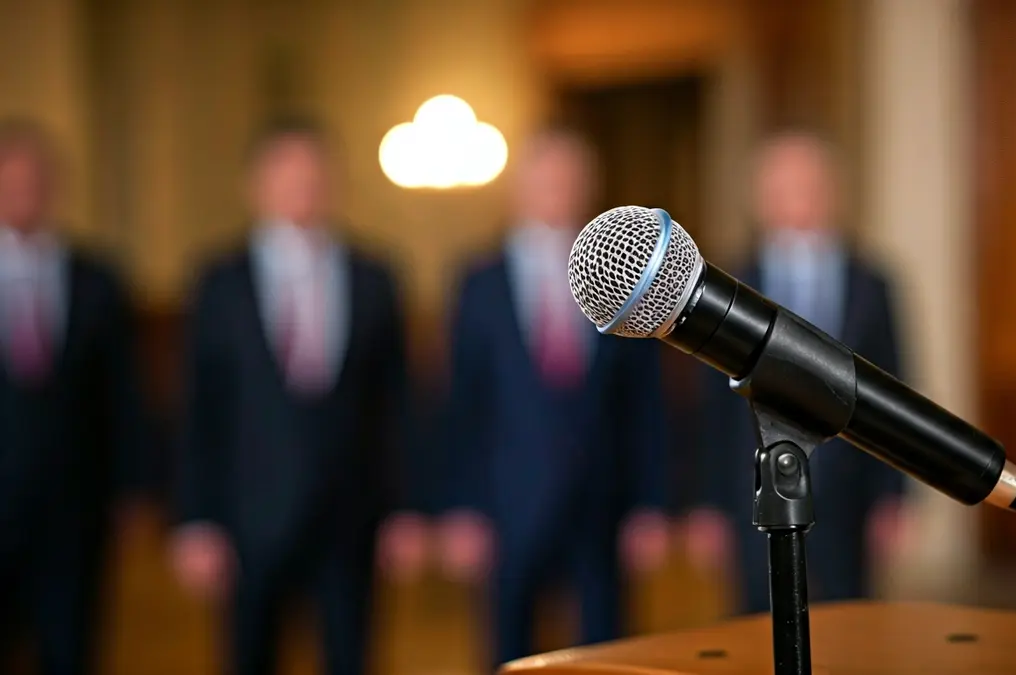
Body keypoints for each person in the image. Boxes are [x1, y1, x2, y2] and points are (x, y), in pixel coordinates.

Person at [171, 117, 422, 675]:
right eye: (287, 175)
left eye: (314, 175)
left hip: (351, 516)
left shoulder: (374, 277)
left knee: (352, 656)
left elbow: (397, 404)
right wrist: (196, 519)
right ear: (256, 185)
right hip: (249, 517)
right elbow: (200, 409)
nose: (302, 188)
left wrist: (406, 507)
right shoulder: (219, 282)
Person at [437, 127, 671, 665]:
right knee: (507, 651)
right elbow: (460, 404)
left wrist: (651, 503)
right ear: (516, 188)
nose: (556, 190)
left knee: (608, 652)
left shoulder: (624, 274)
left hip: (602, 502)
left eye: (569, 178)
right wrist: (460, 507)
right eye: (544, 178)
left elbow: (644, 402)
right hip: (507, 504)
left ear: (590, 187)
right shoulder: (478, 282)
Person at [684, 130, 909, 612]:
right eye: (782, 187)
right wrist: (705, 504)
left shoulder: (871, 285)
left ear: (834, 192)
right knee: (757, 620)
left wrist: (894, 494)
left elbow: (894, 392)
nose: (797, 200)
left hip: (848, 494)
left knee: (850, 619)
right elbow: (709, 408)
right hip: (752, 495)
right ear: (758, 199)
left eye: (809, 185)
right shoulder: (726, 286)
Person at [0, 117, 146, 674]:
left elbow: (123, 393)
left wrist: (132, 486)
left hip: (73, 511)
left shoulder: (97, 280)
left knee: (70, 650)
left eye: (36, 179)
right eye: (11, 180)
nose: (25, 191)